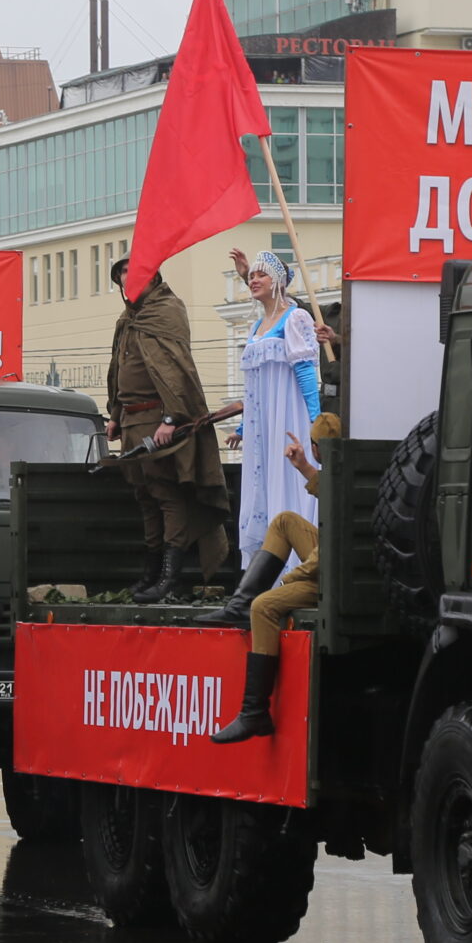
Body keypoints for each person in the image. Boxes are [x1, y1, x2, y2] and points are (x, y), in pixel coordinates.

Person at [194, 415, 341, 743]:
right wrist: (304, 466)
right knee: (285, 521)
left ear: (317, 448)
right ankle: (238, 606)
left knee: (264, 607)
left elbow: (325, 556)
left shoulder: (342, 479)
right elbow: (329, 495)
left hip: (331, 574)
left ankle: (254, 711)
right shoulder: (345, 470)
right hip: (332, 564)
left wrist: (293, 579)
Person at [106, 258, 233, 604]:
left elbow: (175, 372)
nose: (126, 283)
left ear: (152, 277)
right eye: (122, 279)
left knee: (167, 496)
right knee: (145, 497)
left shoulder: (166, 311)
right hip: (131, 421)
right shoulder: (128, 319)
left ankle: (169, 579)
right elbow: (120, 368)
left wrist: (171, 418)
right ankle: (151, 574)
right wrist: (116, 415)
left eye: (132, 275)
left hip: (157, 420)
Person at [226, 247, 320, 556]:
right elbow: (254, 385)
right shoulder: (256, 327)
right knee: (262, 483)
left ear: (278, 280)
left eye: (260, 274)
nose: (253, 280)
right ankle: (268, 561)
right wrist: (243, 427)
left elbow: (306, 371)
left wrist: (315, 419)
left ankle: (296, 559)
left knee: (289, 477)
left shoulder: (296, 318)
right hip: (263, 423)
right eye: (250, 275)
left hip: (288, 413)